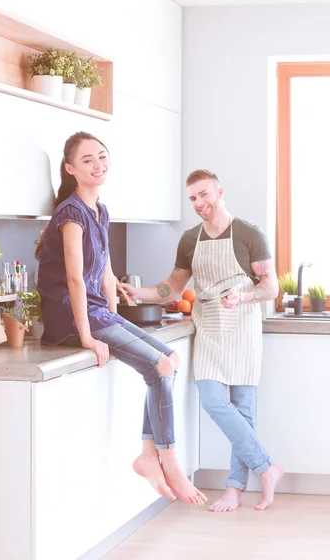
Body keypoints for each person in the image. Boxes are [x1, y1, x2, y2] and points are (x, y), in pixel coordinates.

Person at [35, 131, 207, 507]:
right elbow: (76, 279)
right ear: (70, 169)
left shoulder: (100, 209)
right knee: (161, 365)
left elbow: (106, 272)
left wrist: (116, 313)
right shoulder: (70, 212)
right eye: (87, 160)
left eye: (101, 157)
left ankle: (148, 453)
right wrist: (88, 335)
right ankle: (168, 457)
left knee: (170, 360)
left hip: (98, 312)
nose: (98, 165)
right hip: (70, 316)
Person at [121, 169, 284, 512]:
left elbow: (271, 288)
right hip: (208, 328)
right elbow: (173, 288)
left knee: (243, 410)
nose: (199, 203)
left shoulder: (249, 234)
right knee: (213, 401)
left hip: (242, 328)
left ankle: (235, 489)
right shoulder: (190, 239)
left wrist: (243, 298)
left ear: (219, 192)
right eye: (193, 198)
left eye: (204, 195)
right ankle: (266, 467)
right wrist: (139, 291)